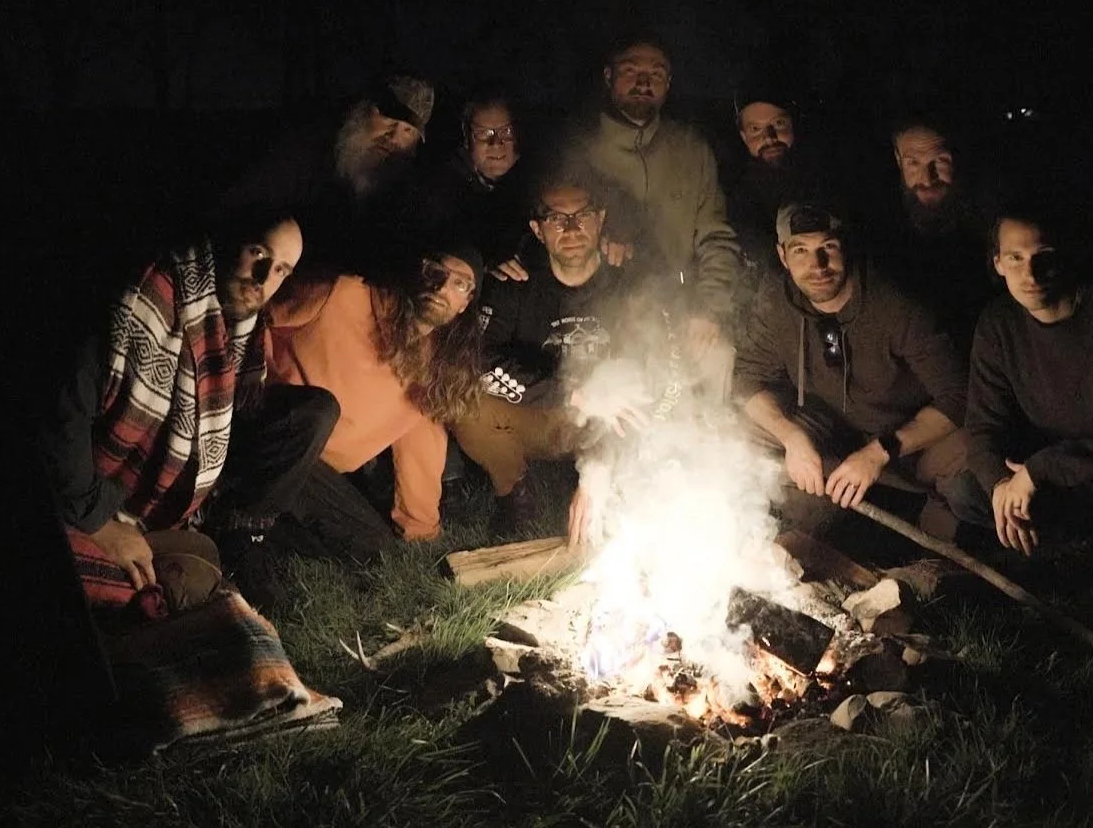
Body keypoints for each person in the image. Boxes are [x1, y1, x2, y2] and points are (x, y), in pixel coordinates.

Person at [41, 208, 326, 607]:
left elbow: (230, 417)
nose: (263, 280)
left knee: (197, 568)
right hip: (89, 490)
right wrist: (99, 524)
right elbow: (61, 418)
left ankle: (227, 534)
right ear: (232, 239)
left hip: (153, 506)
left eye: (280, 270)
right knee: (151, 591)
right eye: (258, 254)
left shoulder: (245, 330)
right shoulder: (148, 295)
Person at [946, 203, 1093, 609]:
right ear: (998, 263)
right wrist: (1000, 484)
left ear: (1063, 256)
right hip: (1049, 482)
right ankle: (1067, 554)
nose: (1030, 275)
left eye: (1042, 257)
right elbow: (982, 427)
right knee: (965, 489)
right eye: (1015, 258)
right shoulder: (998, 324)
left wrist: (1039, 469)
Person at [733, 201, 970, 545]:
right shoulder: (777, 299)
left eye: (827, 247)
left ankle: (931, 535)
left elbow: (958, 395)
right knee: (741, 431)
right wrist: (792, 438)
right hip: (831, 434)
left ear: (846, 246)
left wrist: (878, 452)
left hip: (906, 441)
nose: (817, 265)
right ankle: (820, 517)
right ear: (782, 256)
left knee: (969, 465)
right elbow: (746, 378)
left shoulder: (894, 303)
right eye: (800, 250)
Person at [453, 169, 670, 536]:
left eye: (582, 215)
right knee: (466, 403)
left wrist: (597, 471)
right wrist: (570, 393)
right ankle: (515, 494)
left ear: (600, 220)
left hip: (609, 423)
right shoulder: (514, 285)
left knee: (652, 409)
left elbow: (658, 366)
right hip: (542, 415)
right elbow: (480, 359)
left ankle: (619, 488)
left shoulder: (627, 286)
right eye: (556, 219)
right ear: (538, 231)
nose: (571, 229)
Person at [265, 245, 485, 553]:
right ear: (417, 272)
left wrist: (421, 529)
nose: (440, 288)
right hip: (269, 436)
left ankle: (268, 522)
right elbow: (255, 319)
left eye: (459, 283)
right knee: (320, 411)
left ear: (466, 303)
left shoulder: (436, 365)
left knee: (374, 546)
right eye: (435, 273)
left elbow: (421, 443)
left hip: (316, 474)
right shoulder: (342, 294)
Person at [564, 37, 743, 363]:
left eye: (656, 74)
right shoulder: (580, 151)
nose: (644, 83)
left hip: (681, 309)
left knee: (719, 363)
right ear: (609, 76)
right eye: (631, 71)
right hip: (598, 314)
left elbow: (716, 238)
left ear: (668, 83)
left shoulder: (692, 151)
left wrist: (708, 310)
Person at [220, 73, 435, 277]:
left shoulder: (404, 193)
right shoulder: (301, 155)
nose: (394, 137)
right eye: (389, 120)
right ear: (362, 110)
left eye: (408, 131)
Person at [880, 115, 999, 346]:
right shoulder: (884, 229)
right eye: (913, 163)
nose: (927, 179)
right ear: (898, 160)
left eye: (939, 161)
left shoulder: (992, 226)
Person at [405, 85, 534, 271]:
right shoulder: (440, 192)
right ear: (467, 138)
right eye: (483, 133)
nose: (496, 143)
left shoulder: (539, 181)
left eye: (506, 132)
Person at [723, 84, 840, 269]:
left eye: (778, 124)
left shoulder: (829, 182)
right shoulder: (736, 199)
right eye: (755, 129)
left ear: (793, 124)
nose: (769, 137)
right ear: (744, 137)